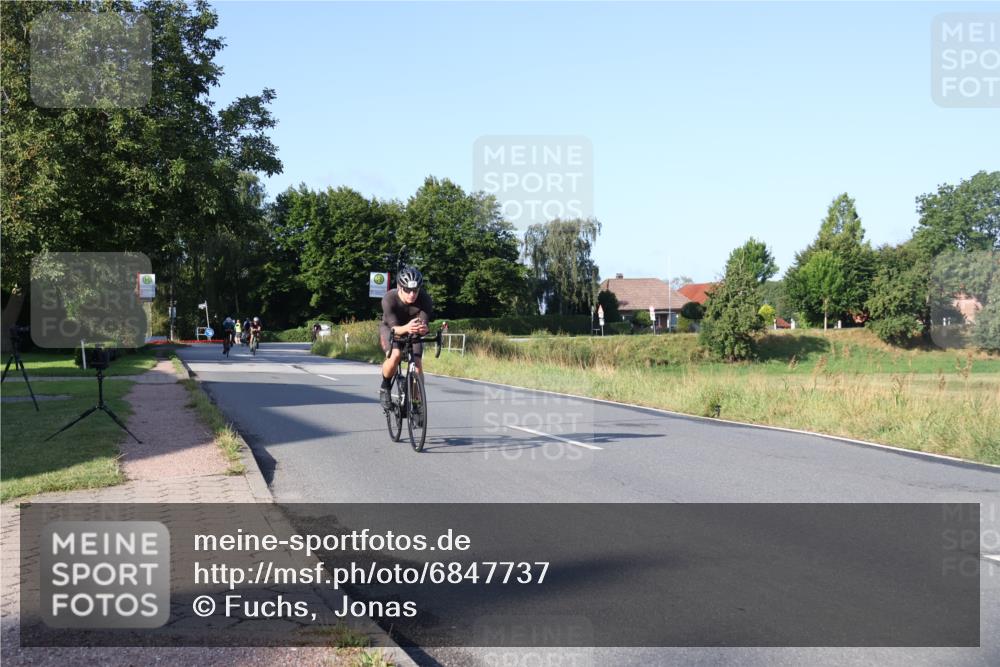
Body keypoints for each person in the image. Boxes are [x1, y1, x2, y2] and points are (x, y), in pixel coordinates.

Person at [379, 266, 433, 410]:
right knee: (395, 355)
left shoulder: (425, 299)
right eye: (407, 290)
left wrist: (423, 329)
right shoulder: (389, 298)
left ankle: (416, 402)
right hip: (391, 329)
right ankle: (385, 387)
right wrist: (407, 328)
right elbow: (394, 329)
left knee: (417, 363)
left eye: (415, 290)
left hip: (412, 330)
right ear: (399, 287)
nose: (412, 294)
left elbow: (422, 324)